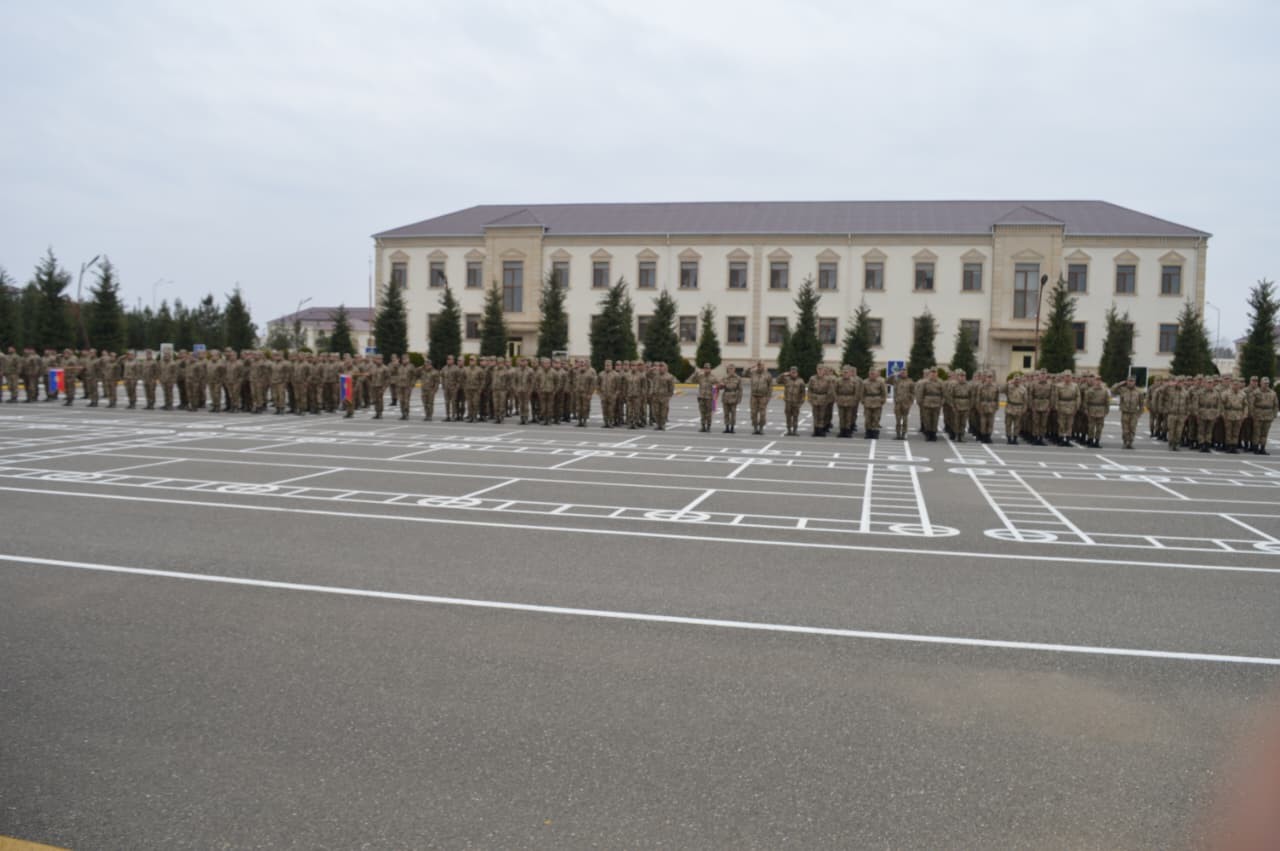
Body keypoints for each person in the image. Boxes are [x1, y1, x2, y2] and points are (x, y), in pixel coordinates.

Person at [1111, 376, 1145, 450]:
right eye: (1129, 381)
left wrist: (1139, 414)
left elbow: (1142, 404)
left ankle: (1130, 443)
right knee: (1125, 429)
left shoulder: (1139, 391)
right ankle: (1125, 442)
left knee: (1132, 429)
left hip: (1134, 413)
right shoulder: (1123, 390)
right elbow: (1112, 390)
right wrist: (1120, 384)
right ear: (1127, 382)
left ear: (1134, 382)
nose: (1130, 383)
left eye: (1132, 381)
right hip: (1125, 413)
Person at [1251, 377, 1276, 454]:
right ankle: (1255, 448)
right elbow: (1251, 404)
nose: (1266, 385)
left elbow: (1275, 405)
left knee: (1265, 433)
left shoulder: (1273, 393)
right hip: (1258, 414)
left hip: (1268, 415)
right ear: (1261, 383)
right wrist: (1253, 414)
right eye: (1265, 383)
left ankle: (1262, 448)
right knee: (1257, 433)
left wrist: (1274, 415)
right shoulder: (1256, 392)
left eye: (1267, 383)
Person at [834, 365, 861, 439]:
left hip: (850, 401)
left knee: (849, 417)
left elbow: (856, 392)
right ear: (842, 372)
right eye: (844, 372)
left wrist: (854, 400)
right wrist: (837, 399)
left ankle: (848, 431)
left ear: (850, 373)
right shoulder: (838, 381)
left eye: (847, 372)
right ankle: (842, 431)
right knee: (841, 417)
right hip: (841, 400)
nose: (845, 374)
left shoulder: (854, 381)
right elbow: (834, 391)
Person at [807, 365, 833, 437]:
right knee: (815, 415)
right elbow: (809, 390)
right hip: (815, 398)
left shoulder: (828, 379)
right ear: (816, 370)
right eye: (819, 369)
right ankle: (816, 430)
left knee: (822, 415)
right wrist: (810, 399)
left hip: (823, 398)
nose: (820, 371)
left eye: (821, 370)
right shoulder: (812, 378)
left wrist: (827, 400)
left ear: (824, 371)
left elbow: (830, 390)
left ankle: (821, 430)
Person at [748, 361, 773, 435]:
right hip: (754, 396)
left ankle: (761, 428)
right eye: (758, 366)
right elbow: (744, 374)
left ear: (763, 366)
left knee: (762, 414)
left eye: (761, 365)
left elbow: (770, 387)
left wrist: (768, 398)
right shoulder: (753, 373)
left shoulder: (767, 375)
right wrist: (750, 367)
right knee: (753, 413)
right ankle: (755, 428)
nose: (759, 367)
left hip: (763, 397)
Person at [781, 367, 806, 436]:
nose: (793, 374)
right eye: (792, 372)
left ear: (797, 373)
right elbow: (778, 380)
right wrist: (783, 374)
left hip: (796, 402)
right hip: (788, 402)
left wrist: (801, 402)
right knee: (788, 417)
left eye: (794, 372)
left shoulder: (801, 381)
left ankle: (795, 431)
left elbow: (803, 393)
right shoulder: (786, 379)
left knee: (795, 417)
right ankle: (789, 430)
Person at [893, 370, 916, 440]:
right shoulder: (897, 380)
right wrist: (896, 374)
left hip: (906, 403)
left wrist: (910, 402)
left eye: (904, 373)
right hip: (898, 403)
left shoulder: (910, 381)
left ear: (907, 374)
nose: (903, 374)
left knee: (905, 420)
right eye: (902, 373)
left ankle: (904, 434)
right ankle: (898, 434)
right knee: (898, 420)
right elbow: (888, 381)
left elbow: (913, 392)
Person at [719, 363, 742, 433]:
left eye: (732, 369)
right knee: (726, 413)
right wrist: (721, 385)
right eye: (729, 369)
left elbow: (740, 389)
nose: (731, 370)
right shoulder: (724, 377)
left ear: (734, 370)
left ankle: (732, 428)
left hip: (734, 397)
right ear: (728, 370)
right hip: (726, 397)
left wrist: (739, 399)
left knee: (733, 414)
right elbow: (720, 387)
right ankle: (727, 427)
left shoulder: (738, 378)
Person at [695, 364, 715, 432]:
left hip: (709, 398)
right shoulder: (700, 376)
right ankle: (703, 426)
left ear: (710, 369)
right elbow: (692, 380)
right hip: (701, 397)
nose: (706, 370)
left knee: (708, 413)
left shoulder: (713, 377)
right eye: (705, 368)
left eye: (707, 368)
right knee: (702, 413)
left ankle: (708, 427)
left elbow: (718, 384)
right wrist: (695, 374)